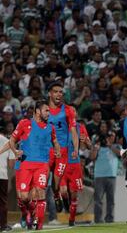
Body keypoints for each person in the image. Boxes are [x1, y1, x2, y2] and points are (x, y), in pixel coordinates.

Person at [9, 100, 61, 230]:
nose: (49, 113)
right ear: (38, 111)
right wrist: (15, 151)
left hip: (42, 165)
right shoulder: (24, 124)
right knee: (24, 196)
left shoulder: (50, 127)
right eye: (46, 110)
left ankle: (39, 226)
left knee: (40, 192)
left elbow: (55, 141)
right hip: (25, 164)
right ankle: (30, 212)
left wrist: (57, 148)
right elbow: (12, 140)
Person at [47, 81, 78, 212]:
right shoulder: (43, 110)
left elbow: (73, 131)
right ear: (50, 94)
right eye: (56, 91)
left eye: (61, 92)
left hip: (63, 152)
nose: (59, 94)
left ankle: (56, 195)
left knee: (57, 180)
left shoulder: (68, 110)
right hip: (46, 150)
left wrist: (76, 148)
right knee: (42, 181)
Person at [60, 109, 91, 226]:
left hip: (74, 165)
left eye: (73, 111)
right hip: (62, 164)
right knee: (63, 192)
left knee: (74, 194)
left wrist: (87, 142)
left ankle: (71, 219)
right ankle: (67, 207)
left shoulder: (80, 127)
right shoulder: (59, 127)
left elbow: (88, 146)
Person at [90, 131, 121, 223]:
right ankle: (98, 219)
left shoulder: (116, 146)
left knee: (110, 200)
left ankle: (109, 219)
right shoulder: (97, 147)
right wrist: (96, 148)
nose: (108, 139)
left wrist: (110, 145)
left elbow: (120, 154)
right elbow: (92, 157)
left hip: (111, 176)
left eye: (110, 137)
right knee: (98, 199)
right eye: (107, 137)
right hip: (99, 176)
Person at [0, 130, 15, 232]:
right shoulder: (8, 142)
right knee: (2, 202)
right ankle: (3, 225)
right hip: (2, 175)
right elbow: (11, 165)